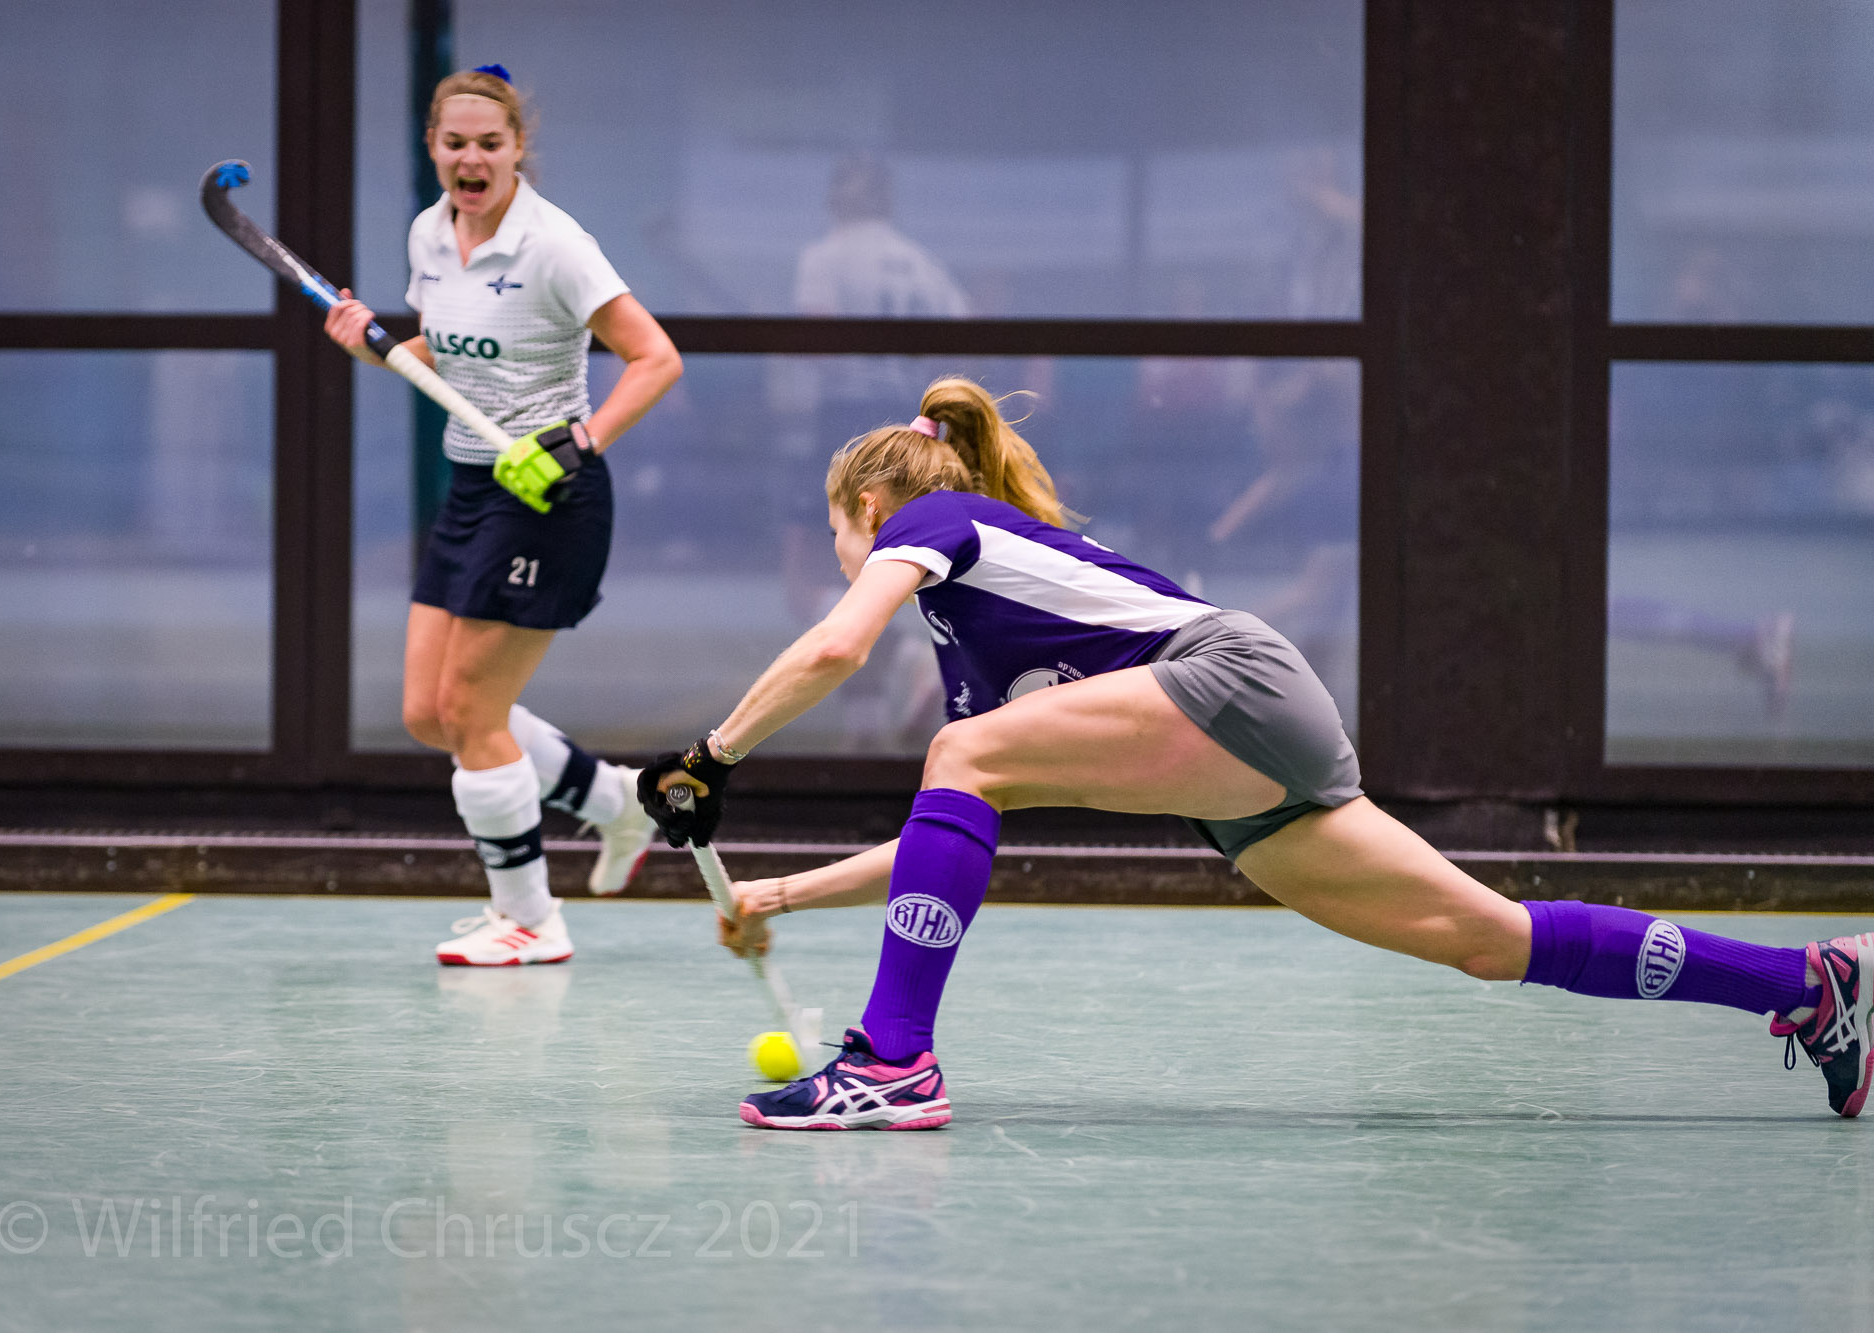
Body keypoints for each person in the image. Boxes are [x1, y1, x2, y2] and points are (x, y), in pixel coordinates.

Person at [637, 375, 1870, 1130]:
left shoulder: (937, 519)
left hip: (1232, 680)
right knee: (1487, 939)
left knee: (960, 754)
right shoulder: (975, 668)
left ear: (865, 507)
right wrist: (777, 894)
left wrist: (710, 755)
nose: (839, 551)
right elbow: (948, 834)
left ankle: (893, 1062)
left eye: (833, 528)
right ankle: (1808, 984)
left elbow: (836, 649)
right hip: (1249, 780)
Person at [326, 64, 682, 965]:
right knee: (428, 712)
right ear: (433, 148)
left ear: (519, 148)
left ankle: (530, 919)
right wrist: (372, 345)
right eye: (455, 143)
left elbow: (656, 358)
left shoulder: (555, 246)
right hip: (472, 488)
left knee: (471, 711)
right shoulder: (429, 234)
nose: (471, 159)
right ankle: (616, 801)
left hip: (549, 498)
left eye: (490, 143)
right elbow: (441, 356)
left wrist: (580, 441)